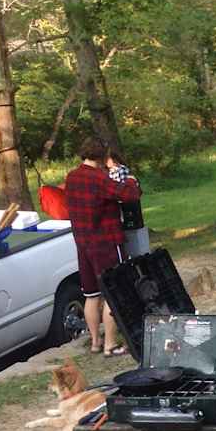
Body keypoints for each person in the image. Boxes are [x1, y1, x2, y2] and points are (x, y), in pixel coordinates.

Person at [64, 137, 142, 356]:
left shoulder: (72, 177)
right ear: (102, 156)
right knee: (113, 293)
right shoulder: (98, 178)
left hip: (83, 244)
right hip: (106, 242)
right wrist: (131, 180)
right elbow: (129, 195)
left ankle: (95, 342)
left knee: (91, 295)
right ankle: (110, 344)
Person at [106, 148, 148, 258]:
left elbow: (120, 183)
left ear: (114, 160)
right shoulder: (110, 172)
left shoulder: (119, 170)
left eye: (108, 160)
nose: (106, 162)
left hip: (123, 198)